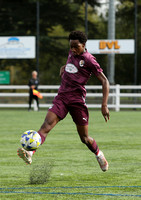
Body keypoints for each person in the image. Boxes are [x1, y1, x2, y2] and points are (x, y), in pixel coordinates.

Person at [18, 31, 110, 172]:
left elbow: (105, 81)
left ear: (83, 45)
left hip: (77, 101)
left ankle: (99, 155)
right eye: (71, 46)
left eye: (76, 47)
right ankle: (30, 153)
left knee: (84, 138)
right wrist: (64, 68)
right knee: (46, 126)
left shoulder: (89, 59)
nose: (73, 50)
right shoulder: (72, 52)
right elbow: (71, 65)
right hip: (61, 97)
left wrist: (104, 105)